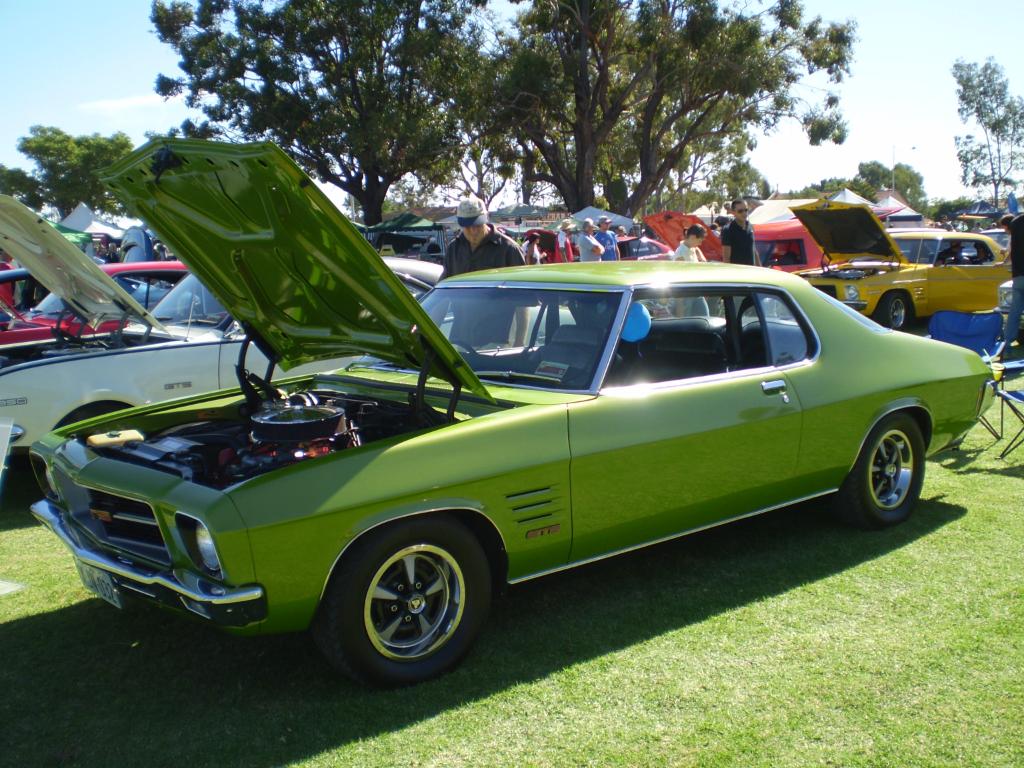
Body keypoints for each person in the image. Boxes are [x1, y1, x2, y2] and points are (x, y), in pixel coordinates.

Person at [441, 195, 525, 279]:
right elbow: (444, 284)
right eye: (467, 226)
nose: (474, 231)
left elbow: (522, 285)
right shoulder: (453, 249)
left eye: (478, 225)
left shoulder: (509, 249)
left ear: (486, 219)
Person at [1003, 213, 1024, 358]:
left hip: (1018, 274)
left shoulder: (1015, 222)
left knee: (1014, 312)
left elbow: (1011, 249)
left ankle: (1007, 343)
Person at [720, 199, 757, 265]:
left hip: (751, 272)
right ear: (733, 212)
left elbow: (754, 250)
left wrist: (761, 268)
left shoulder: (750, 226)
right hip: (737, 273)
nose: (744, 213)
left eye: (746, 210)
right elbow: (726, 259)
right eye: (740, 211)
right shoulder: (728, 230)